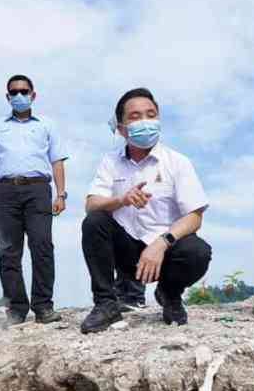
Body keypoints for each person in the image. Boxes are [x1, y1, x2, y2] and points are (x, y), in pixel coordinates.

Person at [80, 88, 212, 333]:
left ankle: (170, 295)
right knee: (94, 221)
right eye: (135, 116)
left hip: (164, 252)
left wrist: (161, 243)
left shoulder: (178, 162)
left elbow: (195, 217)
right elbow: (91, 204)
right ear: (121, 128)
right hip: (127, 254)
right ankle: (106, 304)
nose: (145, 122)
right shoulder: (111, 161)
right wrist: (121, 199)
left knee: (198, 251)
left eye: (151, 115)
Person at [0, 74, 67, 326]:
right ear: (8, 97)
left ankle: (43, 306)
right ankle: (16, 308)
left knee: (42, 247)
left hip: (38, 189)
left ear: (33, 95)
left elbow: (57, 161)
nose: (19, 96)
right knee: (8, 251)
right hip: (5, 191)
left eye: (24, 91)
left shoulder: (46, 125)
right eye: (14, 92)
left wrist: (61, 194)